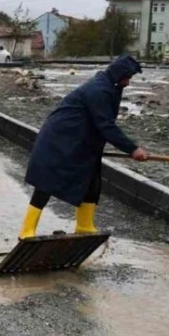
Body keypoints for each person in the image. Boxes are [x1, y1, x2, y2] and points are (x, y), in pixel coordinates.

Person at [19, 55, 148, 238]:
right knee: (47, 182)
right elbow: (106, 126)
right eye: (127, 77)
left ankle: (85, 225)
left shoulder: (110, 86)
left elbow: (102, 123)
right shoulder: (99, 90)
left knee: (92, 180)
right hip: (60, 139)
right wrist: (133, 149)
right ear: (119, 74)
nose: (128, 82)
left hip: (80, 140)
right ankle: (27, 230)